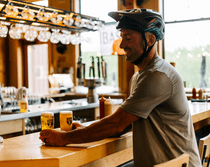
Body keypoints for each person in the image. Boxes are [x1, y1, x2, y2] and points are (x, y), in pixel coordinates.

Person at [40, 9, 202, 167]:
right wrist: (86, 130)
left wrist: (64, 138)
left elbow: (117, 123)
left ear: (151, 40)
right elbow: (125, 124)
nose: (122, 45)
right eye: (122, 37)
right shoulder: (139, 76)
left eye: (128, 38)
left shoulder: (158, 75)